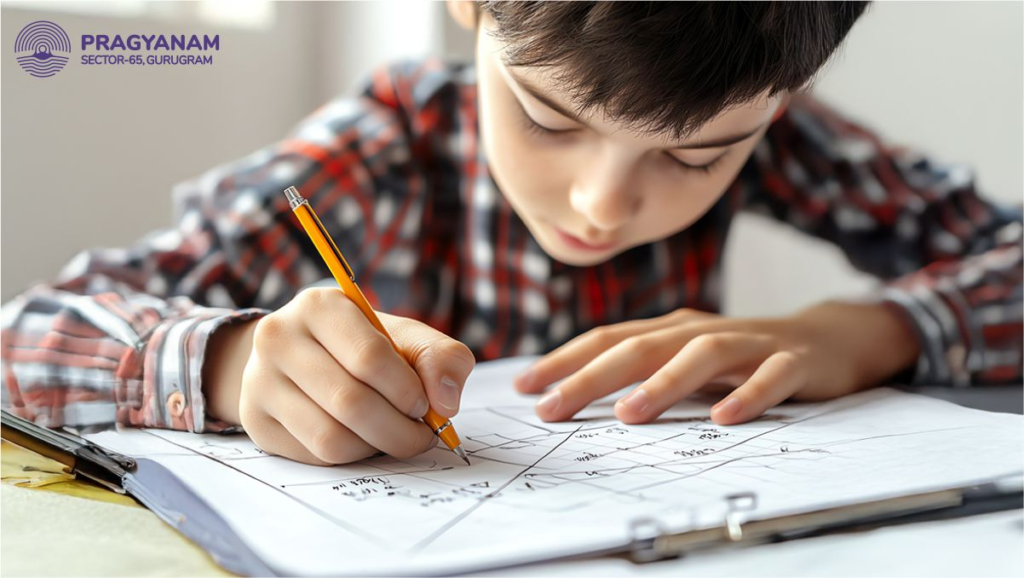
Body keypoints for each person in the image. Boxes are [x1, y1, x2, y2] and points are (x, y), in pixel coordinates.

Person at [3, 2, 1020, 466]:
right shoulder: (384, 145)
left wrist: (861, 331)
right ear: (471, 11)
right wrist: (227, 362)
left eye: (698, 158)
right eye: (547, 119)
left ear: (781, 98)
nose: (600, 204)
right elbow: (23, 332)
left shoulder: (773, 125)